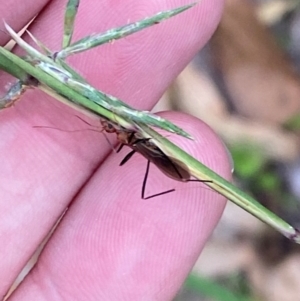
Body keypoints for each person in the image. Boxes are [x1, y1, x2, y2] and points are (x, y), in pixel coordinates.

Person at [0, 0, 230, 299]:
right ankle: (198, 178)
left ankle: (198, 178)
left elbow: (136, 139)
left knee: (155, 165)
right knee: (153, 167)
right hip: (164, 159)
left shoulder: (136, 140)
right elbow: (138, 139)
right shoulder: (137, 138)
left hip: (164, 160)